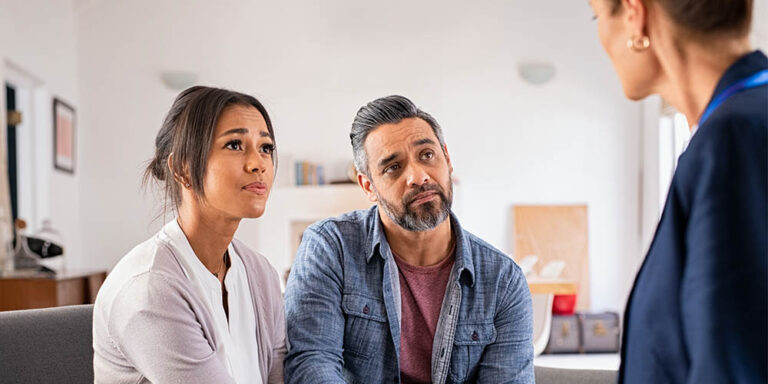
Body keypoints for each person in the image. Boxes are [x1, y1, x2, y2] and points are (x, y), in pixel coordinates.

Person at [284, 95, 534, 383]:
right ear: (368, 186)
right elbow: (312, 365)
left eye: (426, 155)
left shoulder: (504, 280)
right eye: (393, 167)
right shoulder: (330, 248)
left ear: (447, 159)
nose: (418, 176)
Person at [588, 0, 767, 382]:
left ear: (635, 15)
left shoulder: (732, 140)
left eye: (597, 15)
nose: (600, 36)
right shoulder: (744, 123)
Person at [93, 86, 286, 384]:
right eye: (235, 145)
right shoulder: (149, 288)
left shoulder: (262, 274)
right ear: (183, 169)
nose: (258, 163)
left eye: (266, 148)